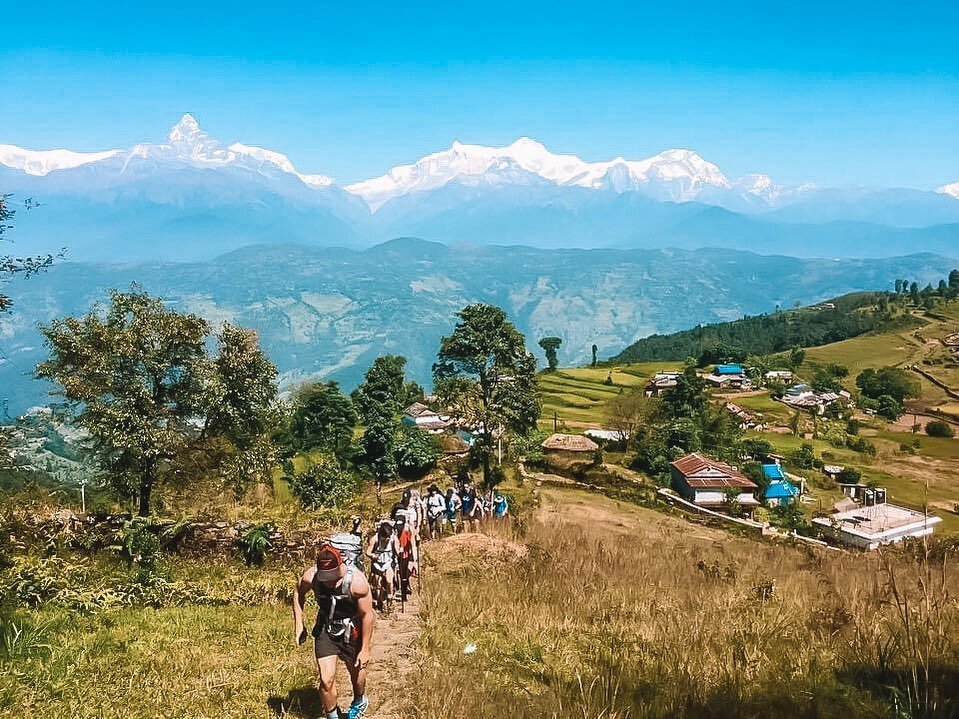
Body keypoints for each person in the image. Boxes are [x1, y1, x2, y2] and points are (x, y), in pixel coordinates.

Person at [293, 545, 374, 719]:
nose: (329, 582)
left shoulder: (357, 582)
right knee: (326, 680)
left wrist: (365, 649)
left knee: (357, 672)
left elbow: (367, 615)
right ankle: (332, 715)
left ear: (340, 566)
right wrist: (299, 624)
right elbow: (298, 591)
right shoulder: (311, 577)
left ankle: (359, 699)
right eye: (325, 577)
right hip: (325, 629)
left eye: (332, 576)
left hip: (352, 630)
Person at [366, 519, 400, 609]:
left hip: (389, 562)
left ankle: (389, 597)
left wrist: (400, 552)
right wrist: (373, 556)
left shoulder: (393, 539)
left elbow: (397, 551)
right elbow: (368, 552)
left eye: (388, 537)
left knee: (389, 580)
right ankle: (379, 601)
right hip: (377, 563)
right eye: (384, 538)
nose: (386, 540)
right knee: (377, 583)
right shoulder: (375, 539)